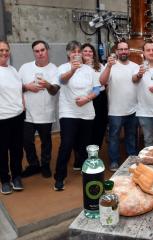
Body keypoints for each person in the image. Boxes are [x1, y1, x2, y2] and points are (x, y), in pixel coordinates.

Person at [53, 40, 101, 191]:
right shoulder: (63, 68)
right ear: (68, 54)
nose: (76, 54)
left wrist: (87, 98)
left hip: (87, 112)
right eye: (73, 51)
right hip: (68, 112)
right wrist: (73, 70)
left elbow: (97, 89)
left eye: (78, 51)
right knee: (66, 144)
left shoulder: (89, 70)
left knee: (85, 146)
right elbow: (61, 80)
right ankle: (59, 178)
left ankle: (86, 172)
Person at [19, 40, 60, 178]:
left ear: (47, 50)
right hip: (27, 113)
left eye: (42, 50)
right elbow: (16, 87)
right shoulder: (25, 67)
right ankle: (34, 165)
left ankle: (45, 165)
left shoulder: (54, 69)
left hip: (46, 113)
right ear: (33, 53)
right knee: (26, 141)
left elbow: (54, 91)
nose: (40, 53)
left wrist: (47, 85)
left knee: (46, 141)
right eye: (37, 51)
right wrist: (27, 87)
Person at [100, 39, 139, 171]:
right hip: (115, 111)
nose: (123, 51)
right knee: (114, 138)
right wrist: (108, 66)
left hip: (132, 109)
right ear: (116, 51)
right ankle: (114, 161)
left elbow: (137, 81)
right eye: (120, 49)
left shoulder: (135, 66)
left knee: (131, 136)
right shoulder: (111, 65)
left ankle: (132, 159)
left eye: (125, 49)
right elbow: (102, 81)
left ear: (129, 51)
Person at [72, 43, 108, 171]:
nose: (88, 53)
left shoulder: (100, 67)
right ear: (80, 53)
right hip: (83, 98)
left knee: (98, 128)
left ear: (94, 54)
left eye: (90, 51)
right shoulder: (76, 66)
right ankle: (79, 158)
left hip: (99, 99)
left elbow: (104, 82)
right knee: (82, 129)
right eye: (85, 51)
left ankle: (94, 156)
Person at [0, 40, 25, 194]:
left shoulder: (13, 70)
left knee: (16, 150)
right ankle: (4, 179)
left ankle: (16, 176)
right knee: (2, 151)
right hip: (1, 118)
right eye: (1, 50)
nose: (4, 53)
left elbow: (19, 90)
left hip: (17, 116)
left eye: (6, 50)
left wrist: (22, 105)